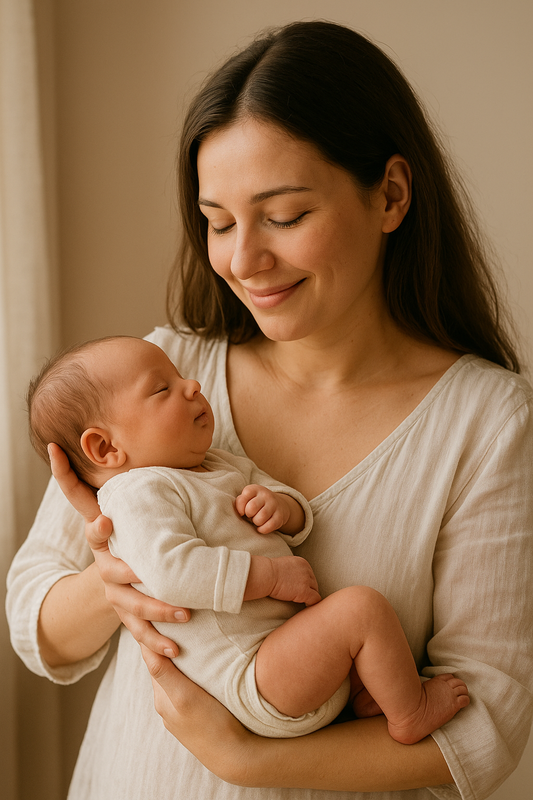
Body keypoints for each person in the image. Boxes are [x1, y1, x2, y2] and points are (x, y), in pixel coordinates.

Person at [6, 18, 533, 800]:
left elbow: (483, 723)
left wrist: (249, 760)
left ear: (389, 195)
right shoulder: (163, 372)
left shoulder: (485, 424)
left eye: (283, 217)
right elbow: (34, 621)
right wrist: (110, 581)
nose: (243, 261)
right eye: (217, 223)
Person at [27, 333, 469, 743]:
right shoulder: (136, 494)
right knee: (361, 611)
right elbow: (173, 572)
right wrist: (271, 577)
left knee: (352, 629)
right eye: (162, 389)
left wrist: (282, 507)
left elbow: (289, 509)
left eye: (181, 374)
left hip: (282, 653)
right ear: (105, 449)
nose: (192, 384)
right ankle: (411, 712)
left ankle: (372, 690)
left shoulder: (214, 463)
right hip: (250, 673)